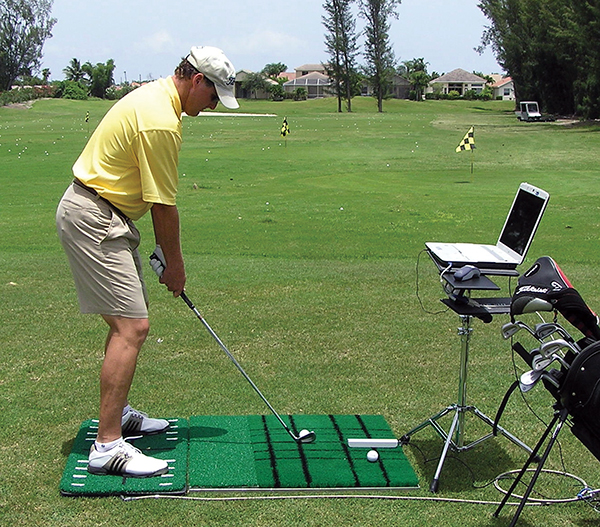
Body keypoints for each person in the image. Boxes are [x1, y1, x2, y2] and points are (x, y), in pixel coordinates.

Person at [56, 46, 238, 477]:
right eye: (213, 97)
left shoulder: (159, 99)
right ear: (196, 80)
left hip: (105, 215)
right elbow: (164, 207)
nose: (213, 106)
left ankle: (118, 418)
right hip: (95, 218)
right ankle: (107, 446)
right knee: (132, 327)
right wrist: (175, 267)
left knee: (127, 323)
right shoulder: (160, 121)